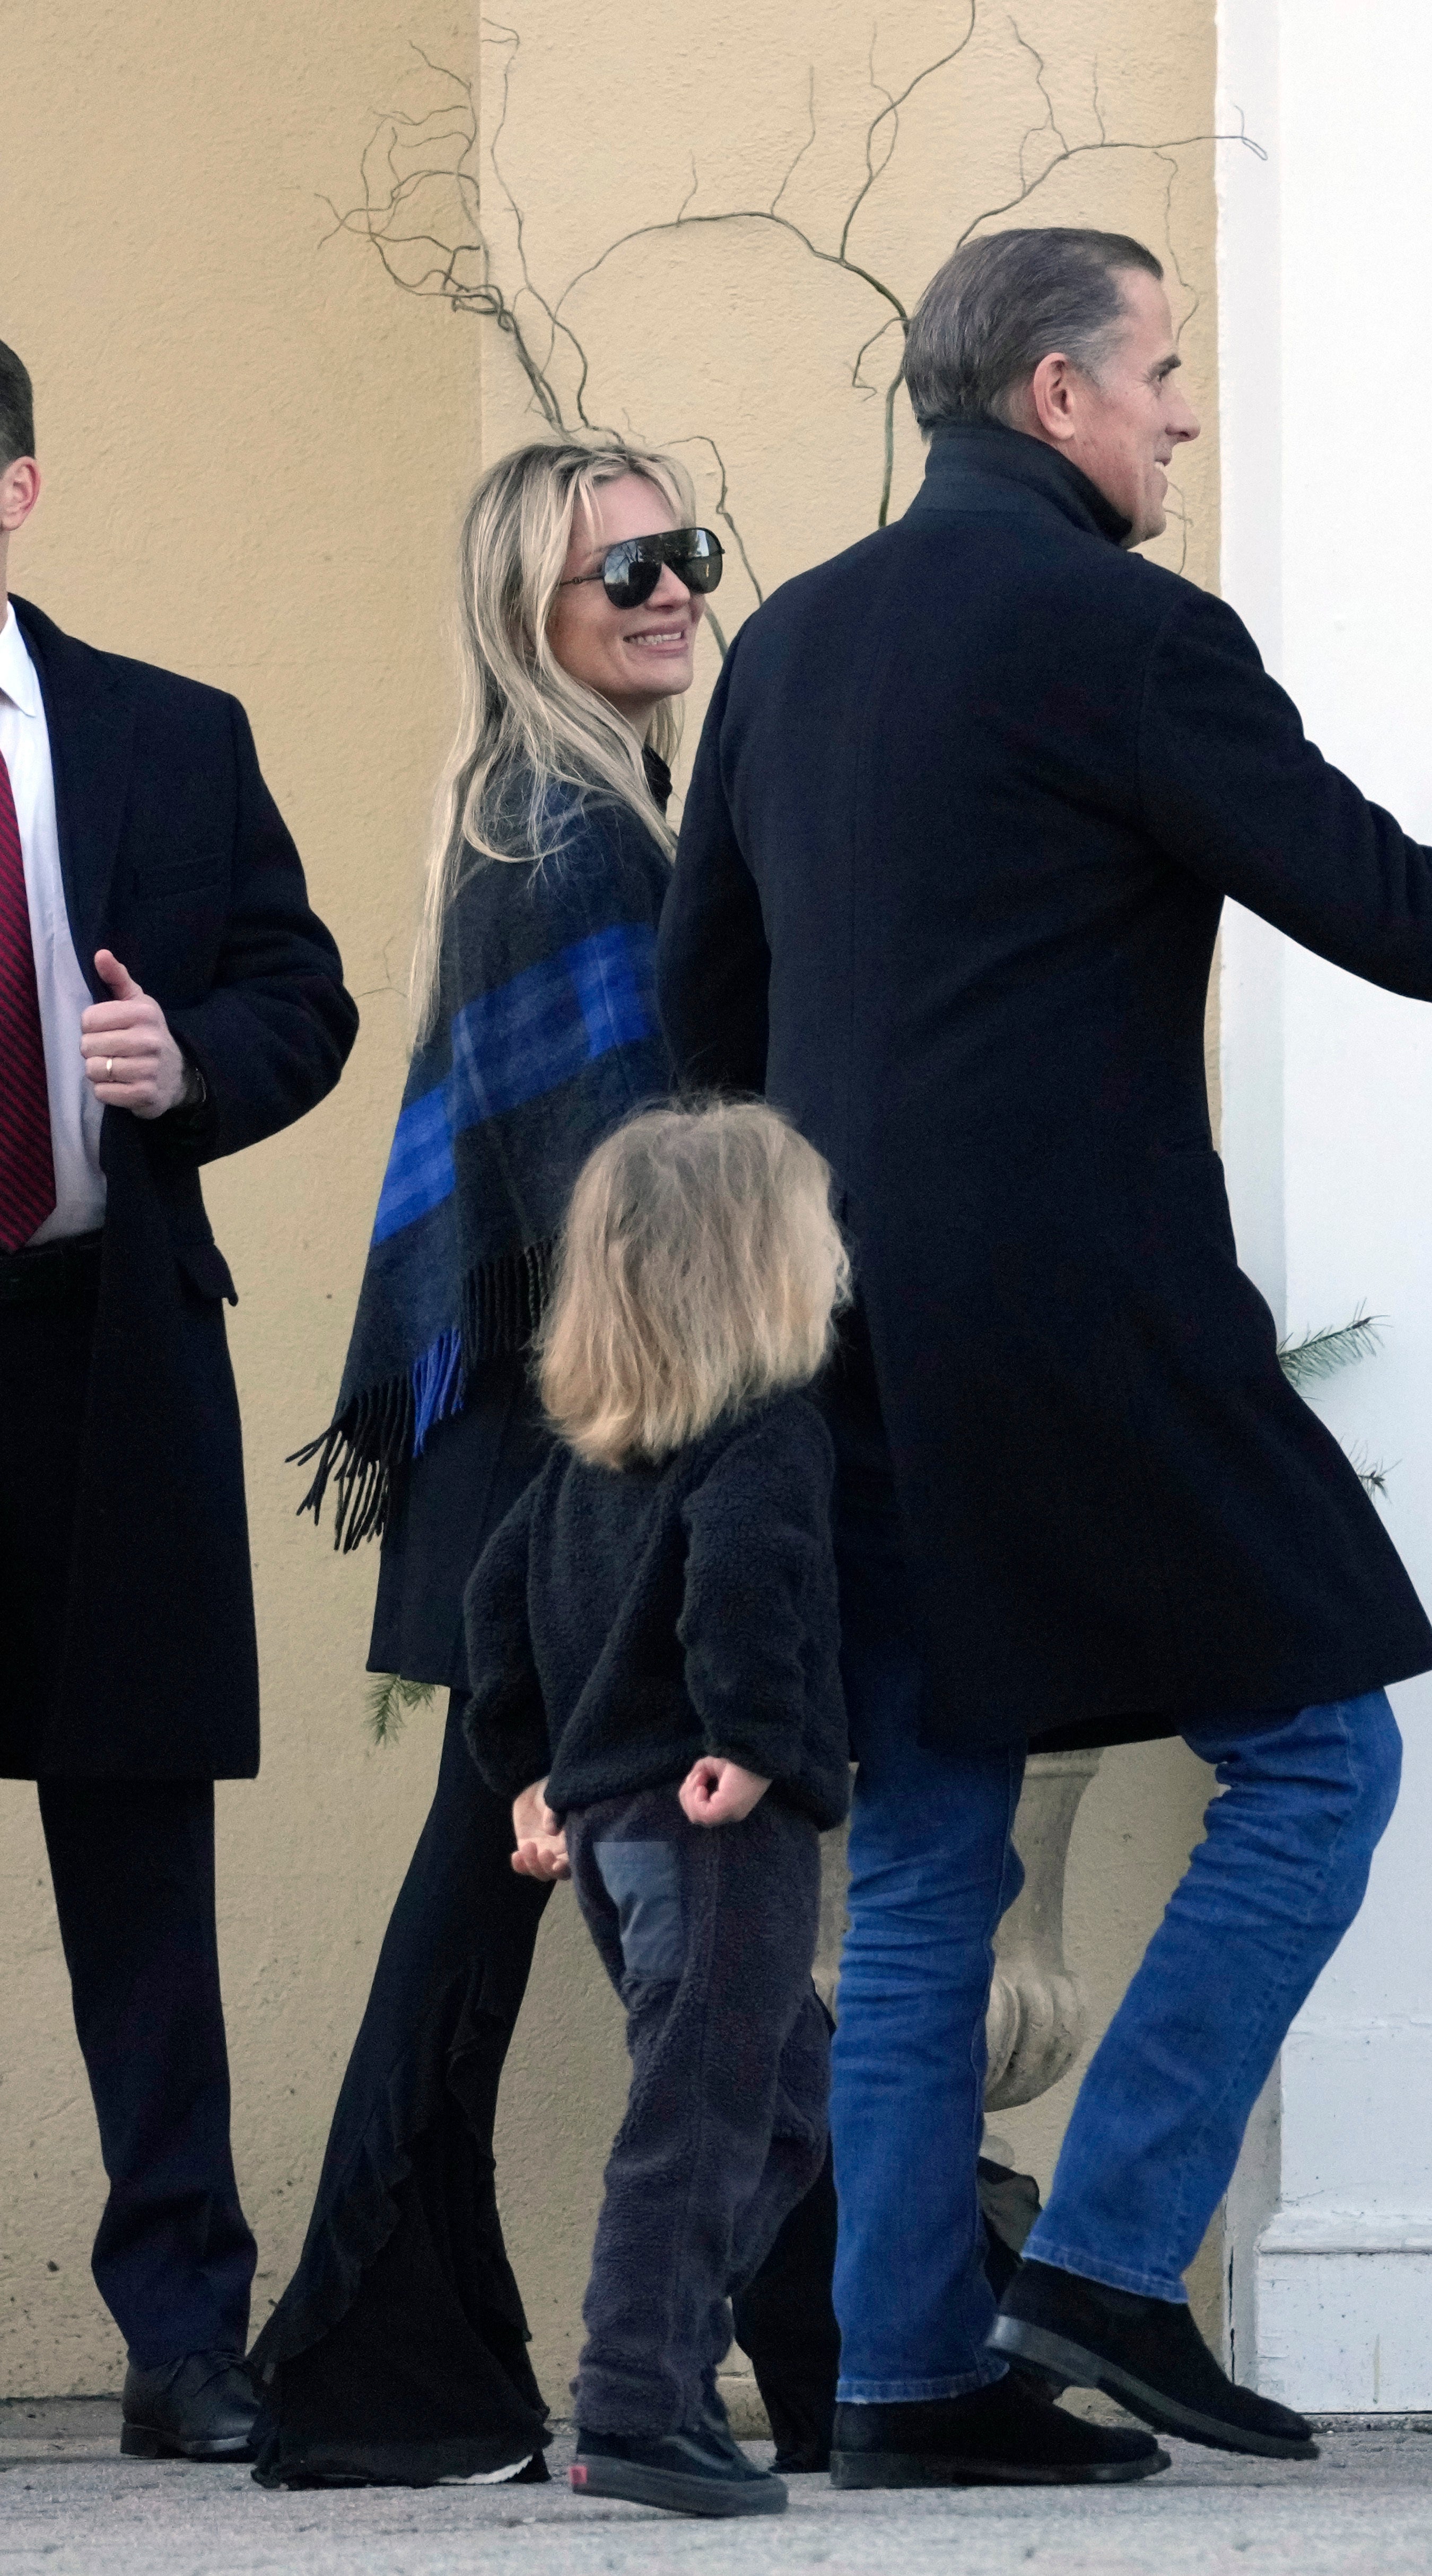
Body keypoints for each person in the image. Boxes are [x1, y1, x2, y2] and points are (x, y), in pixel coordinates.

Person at [657, 224, 1432, 2485]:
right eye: (1160, 373)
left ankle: (908, 2385)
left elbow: (702, 1010)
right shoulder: (1126, 634)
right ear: (1055, 398)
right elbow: (1378, 900)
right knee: (1316, 1757)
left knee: (925, 1859)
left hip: (837, 1328)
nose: (1182, 413)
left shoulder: (793, 644)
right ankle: (1107, 2263)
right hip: (1084, 1321)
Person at [256, 441, 837, 2484]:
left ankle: (410, 2361)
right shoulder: (565, 831)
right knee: (567, 1926)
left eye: (687, 552)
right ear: (532, 609)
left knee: (534, 1924)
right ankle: (376, 2367)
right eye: (623, 570)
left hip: (542, 1431)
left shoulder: (577, 797)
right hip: (569, 1447)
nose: (672, 590)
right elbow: (629, 1194)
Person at [0, 334, 357, 2460]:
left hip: (100, 1349)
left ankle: (182, 2340)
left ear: (17, 493)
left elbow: (294, 990)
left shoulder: (164, 733)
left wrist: (187, 1066)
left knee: (136, 1857)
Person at [459, 1101, 867, 2520]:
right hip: (709, 1819)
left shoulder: (584, 1466)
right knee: (700, 2116)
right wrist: (752, 1738)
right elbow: (749, 1581)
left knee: (784, 2101)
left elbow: (491, 1611)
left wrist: (528, 1767)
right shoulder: (763, 1438)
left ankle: (669, 2349)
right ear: (766, 1269)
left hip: (615, 1827)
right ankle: (639, 2397)